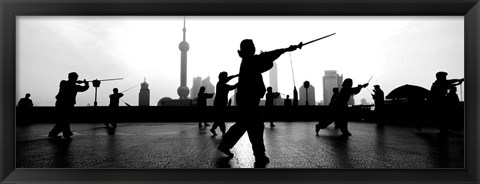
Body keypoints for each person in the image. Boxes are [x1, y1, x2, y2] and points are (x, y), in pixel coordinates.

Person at [217, 39, 299, 164]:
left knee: (244, 124)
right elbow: (268, 57)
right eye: (252, 46)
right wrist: (286, 49)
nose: (254, 48)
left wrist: (283, 51)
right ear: (249, 49)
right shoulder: (250, 60)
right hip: (249, 99)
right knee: (255, 127)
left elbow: (266, 59)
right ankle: (259, 155)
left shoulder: (247, 60)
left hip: (246, 99)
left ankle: (227, 144)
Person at [48, 72, 89, 138]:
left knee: (64, 119)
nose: (76, 79)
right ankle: (54, 133)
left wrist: (78, 83)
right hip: (66, 104)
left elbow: (77, 86)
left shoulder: (64, 83)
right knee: (64, 119)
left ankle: (66, 132)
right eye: (75, 78)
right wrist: (86, 84)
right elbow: (83, 88)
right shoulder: (67, 84)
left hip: (61, 103)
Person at [210, 72, 239, 137]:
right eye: (226, 76)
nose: (227, 78)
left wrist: (235, 75)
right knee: (221, 118)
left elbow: (229, 78)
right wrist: (239, 82)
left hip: (218, 103)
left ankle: (213, 129)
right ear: (223, 77)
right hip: (220, 104)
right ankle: (223, 132)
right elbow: (233, 87)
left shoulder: (219, 83)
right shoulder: (223, 85)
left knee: (219, 118)